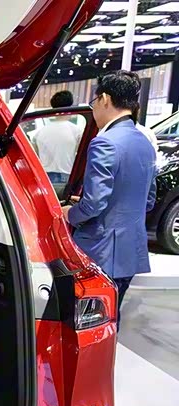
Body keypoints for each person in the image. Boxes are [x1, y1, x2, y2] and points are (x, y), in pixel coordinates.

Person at [63, 71, 157, 330]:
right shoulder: (145, 143)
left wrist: (70, 212)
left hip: (101, 251)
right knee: (110, 321)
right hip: (130, 250)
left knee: (89, 326)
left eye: (94, 102)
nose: (94, 108)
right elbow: (148, 200)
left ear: (104, 99)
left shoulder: (104, 142)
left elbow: (94, 205)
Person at [30, 91, 83, 185]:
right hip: (66, 175)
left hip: (44, 176)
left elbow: (34, 156)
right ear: (70, 107)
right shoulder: (76, 131)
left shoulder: (39, 132)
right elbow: (80, 155)